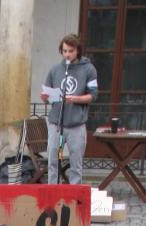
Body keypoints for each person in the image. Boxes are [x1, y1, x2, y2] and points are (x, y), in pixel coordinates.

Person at [40, 34, 98, 184]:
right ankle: (53, 192)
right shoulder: (55, 70)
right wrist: (45, 97)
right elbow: (47, 96)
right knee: (53, 161)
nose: (67, 54)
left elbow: (93, 95)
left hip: (76, 125)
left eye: (70, 51)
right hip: (56, 124)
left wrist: (76, 99)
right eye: (64, 51)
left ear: (78, 50)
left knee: (75, 164)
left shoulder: (88, 69)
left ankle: (73, 197)